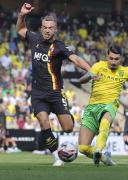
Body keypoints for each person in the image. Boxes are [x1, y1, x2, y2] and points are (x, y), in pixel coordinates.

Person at [16, 3, 92, 166]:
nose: (47, 30)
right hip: (38, 94)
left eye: (50, 27)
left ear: (55, 29)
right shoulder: (34, 38)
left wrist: (90, 70)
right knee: (44, 122)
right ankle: (57, 155)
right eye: (44, 27)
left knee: (68, 128)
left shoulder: (59, 47)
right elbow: (20, 30)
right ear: (41, 27)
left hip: (56, 93)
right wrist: (22, 15)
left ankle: (68, 117)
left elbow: (75, 59)